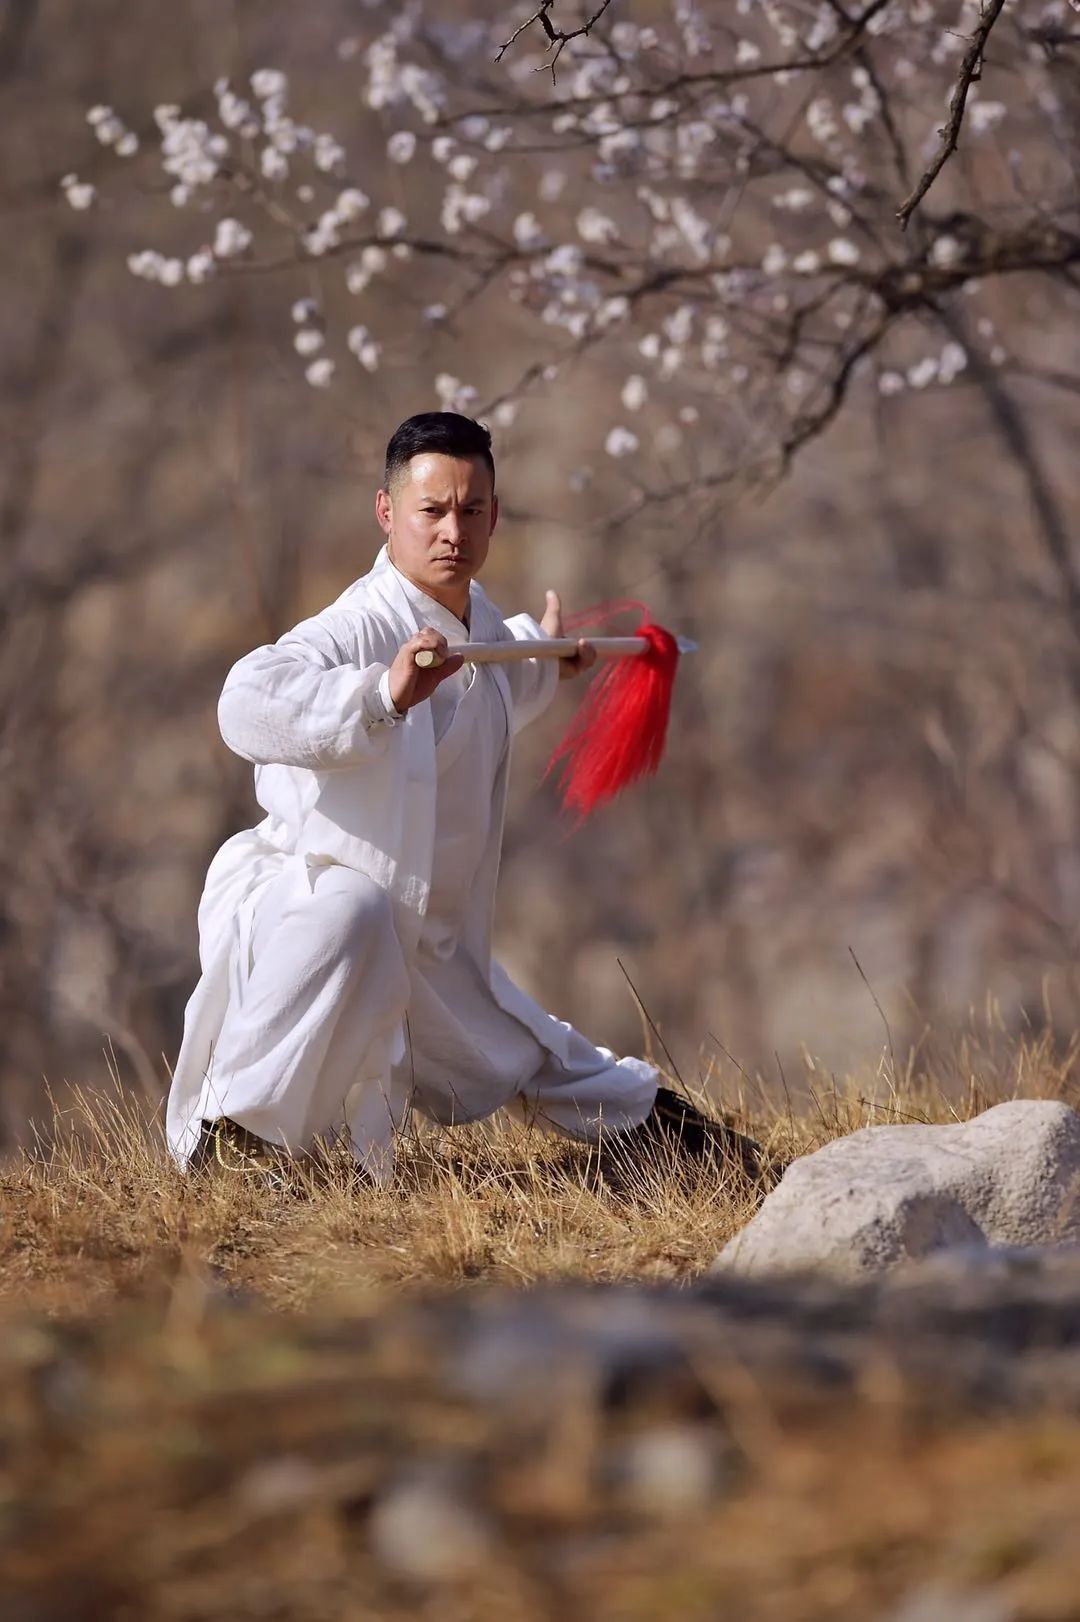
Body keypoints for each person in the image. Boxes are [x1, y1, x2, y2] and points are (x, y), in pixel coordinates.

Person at [166, 411, 764, 1185]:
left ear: (493, 516)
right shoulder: (352, 628)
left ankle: (673, 1139)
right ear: (388, 514)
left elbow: (498, 677)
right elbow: (243, 704)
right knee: (355, 912)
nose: (453, 530)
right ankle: (235, 1141)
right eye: (431, 511)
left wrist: (547, 656)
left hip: (421, 943)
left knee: (518, 1049)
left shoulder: (480, 625)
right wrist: (383, 693)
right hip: (311, 921)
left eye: (470, 510)